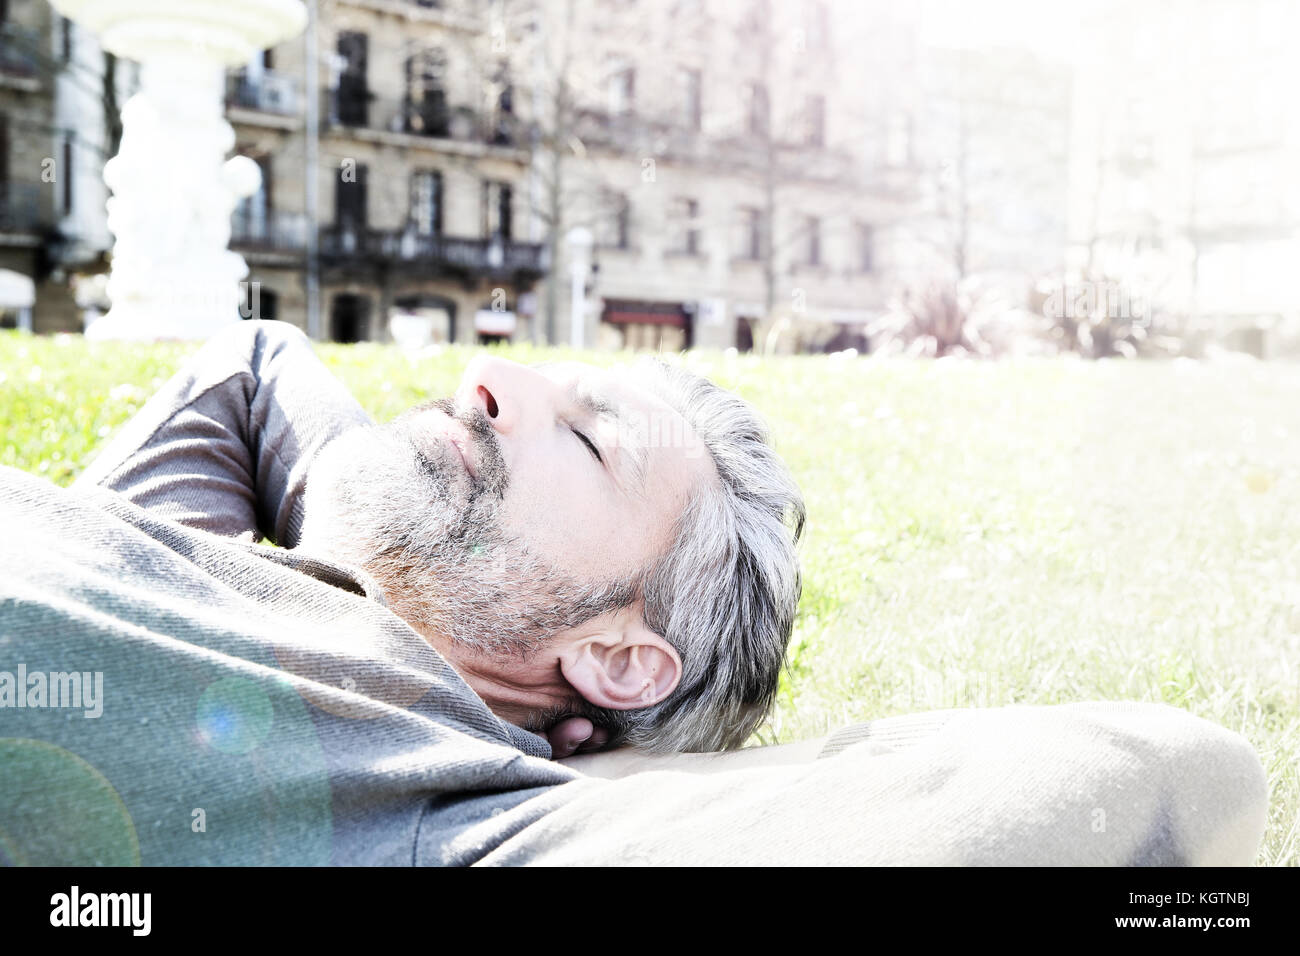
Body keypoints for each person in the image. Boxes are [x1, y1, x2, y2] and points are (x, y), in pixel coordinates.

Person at [0, 321, 1268, 865]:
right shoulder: (250, 581)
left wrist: (616, 777)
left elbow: (1182, 775)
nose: (489, 378)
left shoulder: (439, 807)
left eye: (590, 439)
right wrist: (344, 516)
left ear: (620, 657)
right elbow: (256, 361)